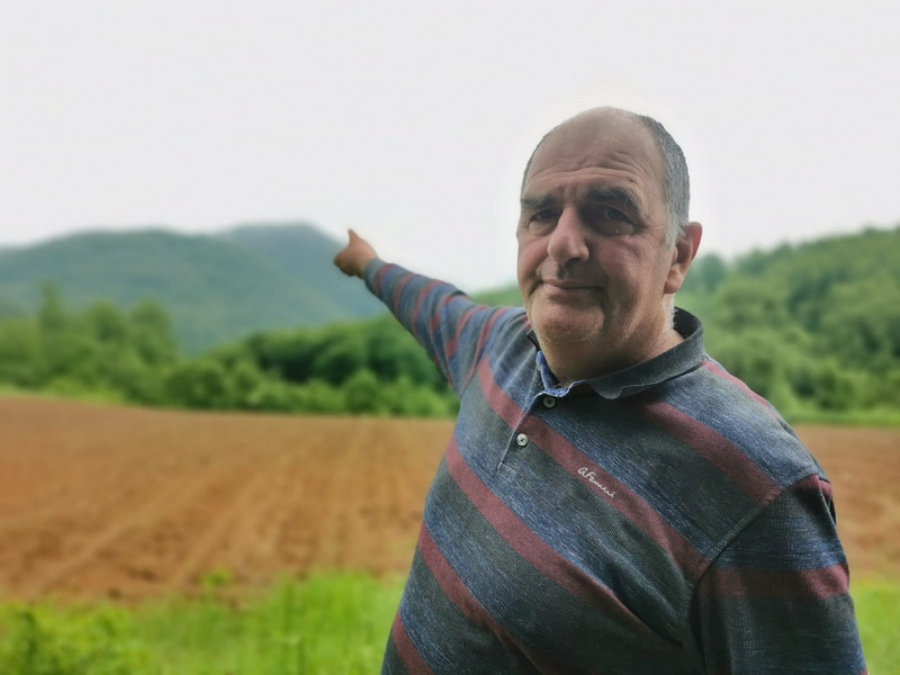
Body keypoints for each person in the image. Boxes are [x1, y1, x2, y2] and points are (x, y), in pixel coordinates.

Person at [333, 107, 866, 674]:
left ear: (678, 256)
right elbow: (430, 303)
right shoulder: (499, 345)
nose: (563, 245)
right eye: (542, 214)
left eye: (610, 213)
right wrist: (367, 263)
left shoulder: (756, 487)